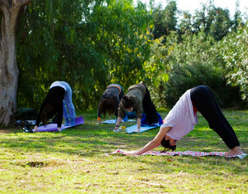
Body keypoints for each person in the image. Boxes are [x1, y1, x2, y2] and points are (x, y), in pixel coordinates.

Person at [121, 85, 246, 157]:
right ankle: (236, 148)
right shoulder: (172, 125)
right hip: (201, 93)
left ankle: (235, 149)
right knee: (217, 121)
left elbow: (155, 142)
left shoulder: (167, 125)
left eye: (173, 140)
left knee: (217, 122)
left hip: (198, 94)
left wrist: (136, 152)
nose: (176, 139)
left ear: (166, 137)